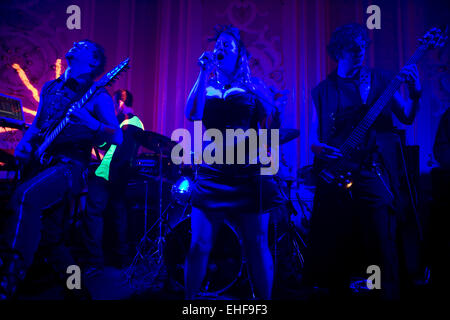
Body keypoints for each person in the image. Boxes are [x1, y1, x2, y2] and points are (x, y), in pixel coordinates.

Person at [306, 23, 422, 299]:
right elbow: (313, 135)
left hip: (372, 170)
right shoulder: (323, 90)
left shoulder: (382, 80)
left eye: (362, 45)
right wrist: (317, 148)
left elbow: (406, 115)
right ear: (337, 52)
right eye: (352, 46)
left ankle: (386, 292)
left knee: (381, 237)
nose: (359, 50)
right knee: (337, 240)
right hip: (336, 173)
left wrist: (415, 93)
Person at [0, 40, 123, 299]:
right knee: (51, 239)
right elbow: (37, 126)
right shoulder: (50, 87)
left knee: (25, 198)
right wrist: (24, 143)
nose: (76, 44)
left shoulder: (98, 95)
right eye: (77, 43)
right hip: (41, 163)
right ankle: (79, 292)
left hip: (70, 167)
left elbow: (117, 138)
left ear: (93, 63)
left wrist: (90, 122)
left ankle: (7, 279)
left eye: (84, 46)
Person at [184, 25, 284, 299]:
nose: (222, 47)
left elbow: (272, 125)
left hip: (248, 174)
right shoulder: (208, 84)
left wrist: (278, 111)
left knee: (257, 244)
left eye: (229, 44)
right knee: (199, 245)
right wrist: (202, 73)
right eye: (219, 44)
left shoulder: (254, 86)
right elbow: (192, 114)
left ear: (240, 54)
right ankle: (190, 302)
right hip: (212, 173)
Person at [81, 89, 144, 273]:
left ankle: (94, 260)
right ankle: (122, 258)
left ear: (120, 102)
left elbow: (106, 144)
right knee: (118, 214)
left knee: (93, 213)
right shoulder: (138, 122)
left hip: (107, 172)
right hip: (122, 175)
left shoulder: (121, 120)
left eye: (113, 104)